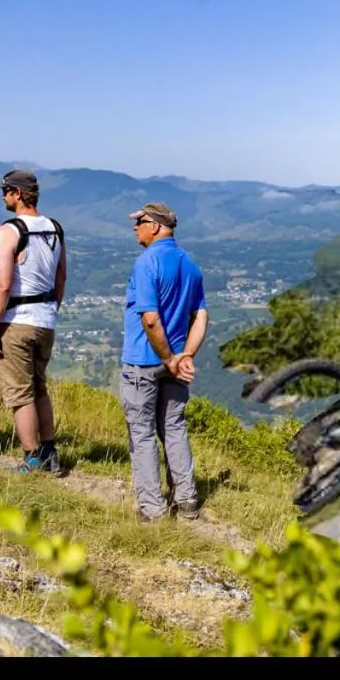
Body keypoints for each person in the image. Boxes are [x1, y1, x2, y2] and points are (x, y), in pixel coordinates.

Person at [119, 202, 209, 522]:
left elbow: (151, 319)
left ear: (155, 226)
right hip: (174, 364)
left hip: (144, 361)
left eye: (140, 221)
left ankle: (153, 510)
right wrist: (186, 355)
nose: (135, 227)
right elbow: (201, 315)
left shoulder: (147, 263)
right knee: (174, 428)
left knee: (141, 434)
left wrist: (171, 357)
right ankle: (186, 500)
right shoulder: (190, 264)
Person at [0, 169, 66, 474]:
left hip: (16, 320)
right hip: (45, 320)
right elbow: (61, 276)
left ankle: (32, 458)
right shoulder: (55, 228)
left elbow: (2, 284)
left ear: (18, 194)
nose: (2, 196)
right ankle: (50, 451)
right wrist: (51, 309)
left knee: (20, 393)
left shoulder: (8, 231)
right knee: (39, 388)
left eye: (5, 190)